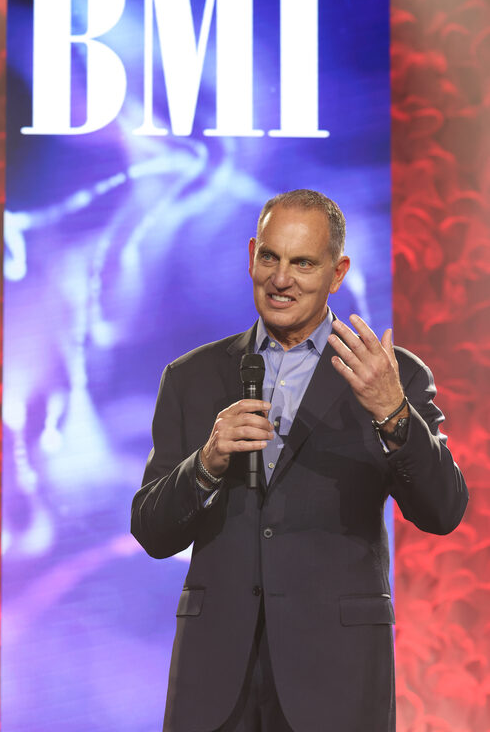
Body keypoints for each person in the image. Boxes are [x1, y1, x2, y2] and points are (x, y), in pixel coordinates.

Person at [131, 189, 468, 732]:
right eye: (270, 257)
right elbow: (151, 530)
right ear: (250, 256)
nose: (281, 278)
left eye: (303, 263)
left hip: (336, 677)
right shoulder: (190, 377)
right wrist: (206, 463)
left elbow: (443, 510)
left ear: (337, 273)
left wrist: (393, 415)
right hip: (216, 678)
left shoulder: (389, 375)